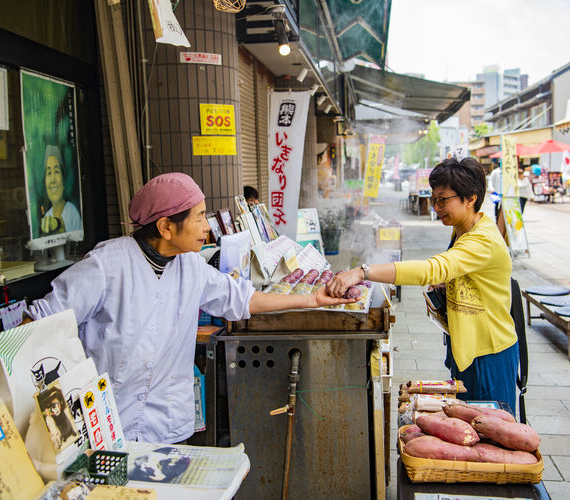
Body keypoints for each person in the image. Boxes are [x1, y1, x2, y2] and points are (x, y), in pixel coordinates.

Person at [28, 173, 352, 443]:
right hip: (108, 426)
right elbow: (38, 322)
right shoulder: (107, 264)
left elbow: (242, 299)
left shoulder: (189, 266)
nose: (207, 227)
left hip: (166, 425)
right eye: (199, 217)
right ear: (166, 227)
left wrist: (311, 300)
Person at [327, 157, 520, 414]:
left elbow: (431, 268)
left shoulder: (482, 239)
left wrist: (363, 272)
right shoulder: (464, 227)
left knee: (490, 435)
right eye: (433, 199)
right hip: (467, 344)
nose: (436, 207)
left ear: (471, 199)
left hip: (487, 353)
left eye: (443, 200)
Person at [40, 145, 82, 235]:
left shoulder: (72, 212)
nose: (53, 179)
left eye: (56, 171)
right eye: (49, 173)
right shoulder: (47, 215)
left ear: (63, 181)